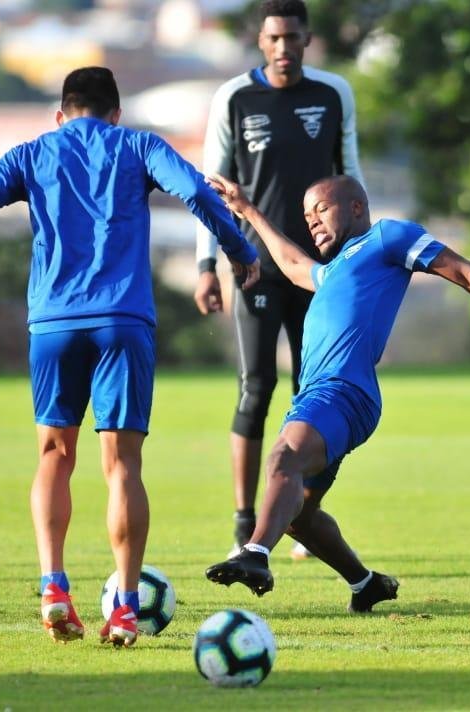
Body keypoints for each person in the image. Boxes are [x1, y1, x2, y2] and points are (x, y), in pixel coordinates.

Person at [0, 67, 259, 646]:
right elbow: (197, 191)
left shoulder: (32, 154)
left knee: (54, 453)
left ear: (61, 113)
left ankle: (54, 587)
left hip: (53, 324)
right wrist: (237, 247)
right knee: (122, 466)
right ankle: (125, 609)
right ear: (116, 113)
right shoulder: (140, 145)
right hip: (123, 321)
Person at [203, 173, 470, 610]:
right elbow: (294, 265)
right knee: (298, 516)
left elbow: (467, 273)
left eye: (320, 210)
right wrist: (247, 209)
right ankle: (365, 583)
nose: (312, 222)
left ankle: (255, 553)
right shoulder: (332, 269)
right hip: (317, 397)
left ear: (356, 207)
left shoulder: (388, 238)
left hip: (343, 392)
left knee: (282, 459)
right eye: (306, 216)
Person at [193, 0, 365, 560]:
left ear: (307, 39)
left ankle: (302, 517)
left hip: (322, 273)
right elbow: (211, 188)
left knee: (316, 396)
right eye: (274, 38)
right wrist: (205, 265)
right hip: (256, 269)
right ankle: (245, 520)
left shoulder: (332, 93)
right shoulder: (235, 98)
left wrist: (359, 256)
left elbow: (351, 177)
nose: (284, 47)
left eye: (293, 37)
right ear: (260, 42)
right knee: (256, 387)